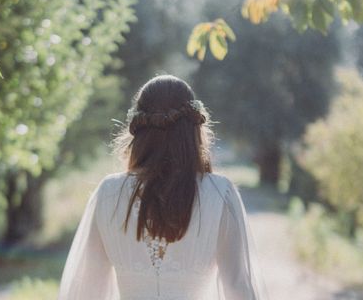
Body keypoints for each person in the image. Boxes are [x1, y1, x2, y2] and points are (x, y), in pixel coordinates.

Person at [57, 74, 265, 300]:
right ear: (194, 129)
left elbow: (87, 290)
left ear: (138, 129)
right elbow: (238, 286)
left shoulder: (108, 192)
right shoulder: (219, 193)